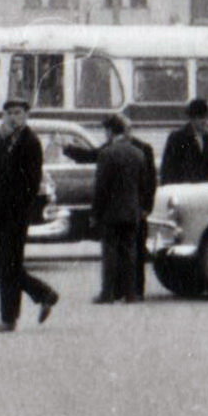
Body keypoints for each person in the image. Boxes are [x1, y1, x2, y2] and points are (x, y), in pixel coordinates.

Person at [0, 99, 58, 331]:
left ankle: (9, 317)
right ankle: (43, 294)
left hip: (15, 213)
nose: (13, 117)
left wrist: (18, 206)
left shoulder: (30, 142)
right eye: (9, 113)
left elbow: (29, 181)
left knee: (7, 266)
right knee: (7, 265)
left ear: (26, 115)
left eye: (18, 112)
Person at [77, 113, 157, 304]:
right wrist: (142, 207)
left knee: (110, 253)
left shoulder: (107, 154)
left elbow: (101, 187)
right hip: (132, 211)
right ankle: (131, 293)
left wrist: (95, 213)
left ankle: (108, 293)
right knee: (130, 252)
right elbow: (145, 183)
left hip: (111, 212)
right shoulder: (138, 153)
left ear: (111, 131)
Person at [159, 98, 208, 186]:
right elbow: (168, 167)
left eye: (205, 117)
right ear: (192, 118)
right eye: (200, 117)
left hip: (202, 188)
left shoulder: (207, 138)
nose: (204, 121)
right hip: (183, 188)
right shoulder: (178, 137)